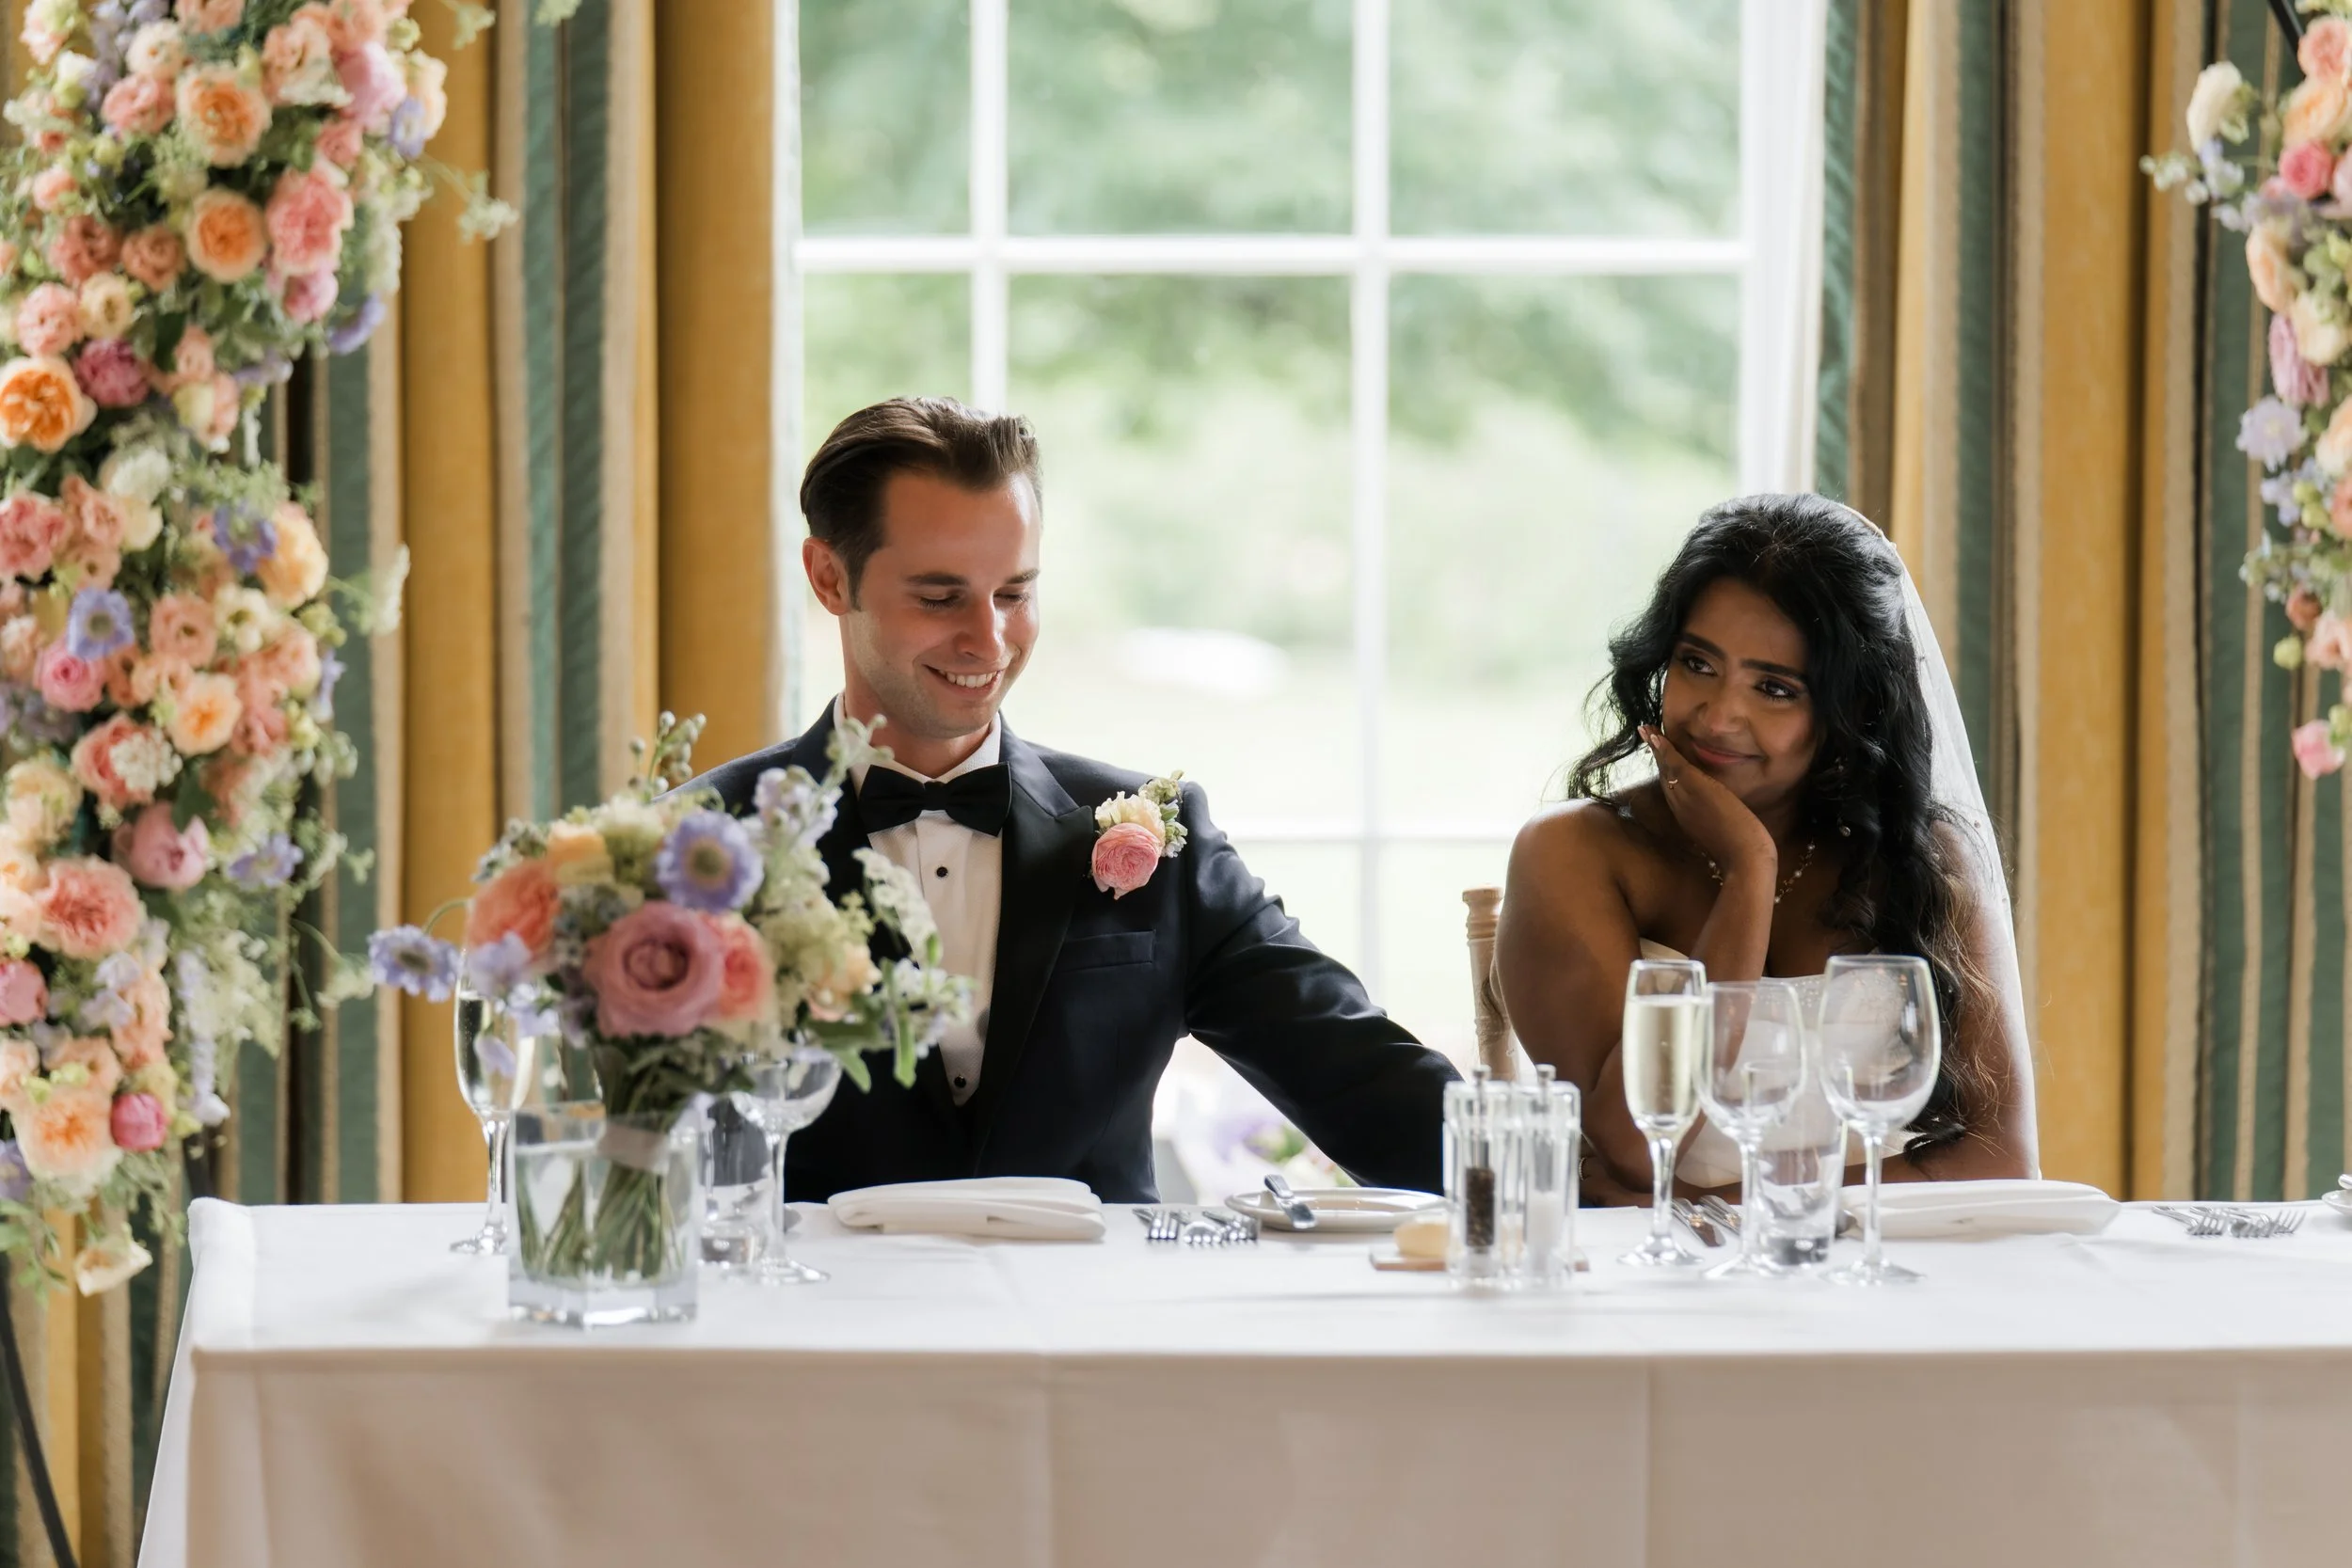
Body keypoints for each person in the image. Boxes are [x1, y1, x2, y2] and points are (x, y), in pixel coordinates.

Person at [683, 396, 1457, 1202]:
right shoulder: (697, 844)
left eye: (1014, 593)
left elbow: (1361, 1076)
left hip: (1102, 1324)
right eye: (940, 598)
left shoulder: (1156, 830)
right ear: (828, 576)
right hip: (815, 1324)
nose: (989, 640)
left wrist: (1557, 1175)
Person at [1496, 494, 2037, 1202]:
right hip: (1662, 1293)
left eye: (1775, 688)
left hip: (1888, 1276)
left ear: (1853, 709)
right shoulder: (1574, 853)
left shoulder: (1922, 857)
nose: (1719, 716)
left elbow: (2002, 1160)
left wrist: (1744, 1218)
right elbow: (1633, 1147)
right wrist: (1750, 872)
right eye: (1696, 663)